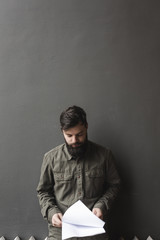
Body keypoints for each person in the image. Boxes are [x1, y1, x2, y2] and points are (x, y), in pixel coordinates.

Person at [37, 105, 121, 240]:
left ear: (86, 127)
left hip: (94, 231)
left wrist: (102, 206)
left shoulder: (105, 155)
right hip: (61, 232)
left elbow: (114, 186)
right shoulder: (50, 158)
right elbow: (43, 192)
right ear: (62, 131)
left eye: (79, 134)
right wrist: (51, 212)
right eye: (69, 135)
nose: (74, 141)